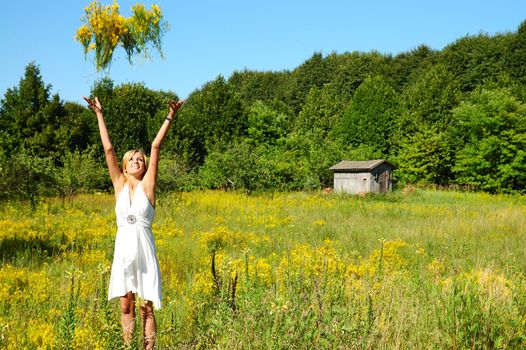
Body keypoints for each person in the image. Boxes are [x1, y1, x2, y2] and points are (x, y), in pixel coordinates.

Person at [84, 96, 184, 349]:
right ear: (124, 166)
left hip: (144, 249)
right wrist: (99, 113)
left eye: (141, 159)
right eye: (132, 159)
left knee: (146, 305)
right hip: (124, 249)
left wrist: (170, 116)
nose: (138, 161)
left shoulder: (148, 186)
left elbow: (156, 145)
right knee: (126, 303)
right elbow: (108, 149)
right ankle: (127, 347)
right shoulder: (118, 184)